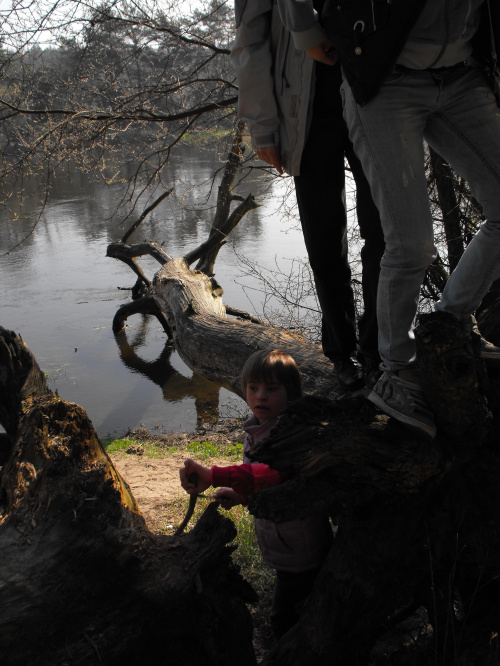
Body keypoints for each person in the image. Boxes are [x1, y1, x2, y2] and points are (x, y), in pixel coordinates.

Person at [277, 0, 500, 439]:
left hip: (464, 75)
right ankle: (395, 374)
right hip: (383, 78)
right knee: (411, 244)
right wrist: (306, 33)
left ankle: (450, 324)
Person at [231, 0, 385, 391]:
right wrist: (262, 126)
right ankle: (341, 352)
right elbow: (252, 40)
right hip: (305, 109)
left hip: (376, 94)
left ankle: (379, 349)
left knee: (385, 234)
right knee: (324, 238)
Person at [179, 349, 332, 639]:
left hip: (302, 548)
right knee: (297, 605)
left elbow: (267, 474)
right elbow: (270, 487)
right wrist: (242, 497)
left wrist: (214, 476)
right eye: (253, 388)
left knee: (284, 617)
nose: (260, 396)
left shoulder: (290, 434)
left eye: (271, 389)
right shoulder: (257, 431)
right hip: (286, 544)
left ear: (291, 393)